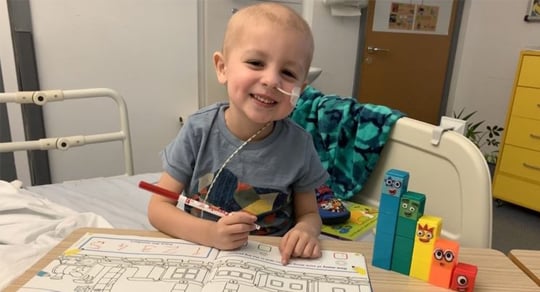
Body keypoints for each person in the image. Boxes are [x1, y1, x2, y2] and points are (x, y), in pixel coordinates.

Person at [147, 3, 328, 265]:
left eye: (288, 73)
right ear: (222, 68)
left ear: (301, 89)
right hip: (202, 254)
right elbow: (158, 209)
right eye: (256, 62)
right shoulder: (199, 130)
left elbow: (310, 213)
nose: (271, 80)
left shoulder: (299, 145)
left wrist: (306, 231)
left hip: (273, 262)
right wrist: (210, 233)